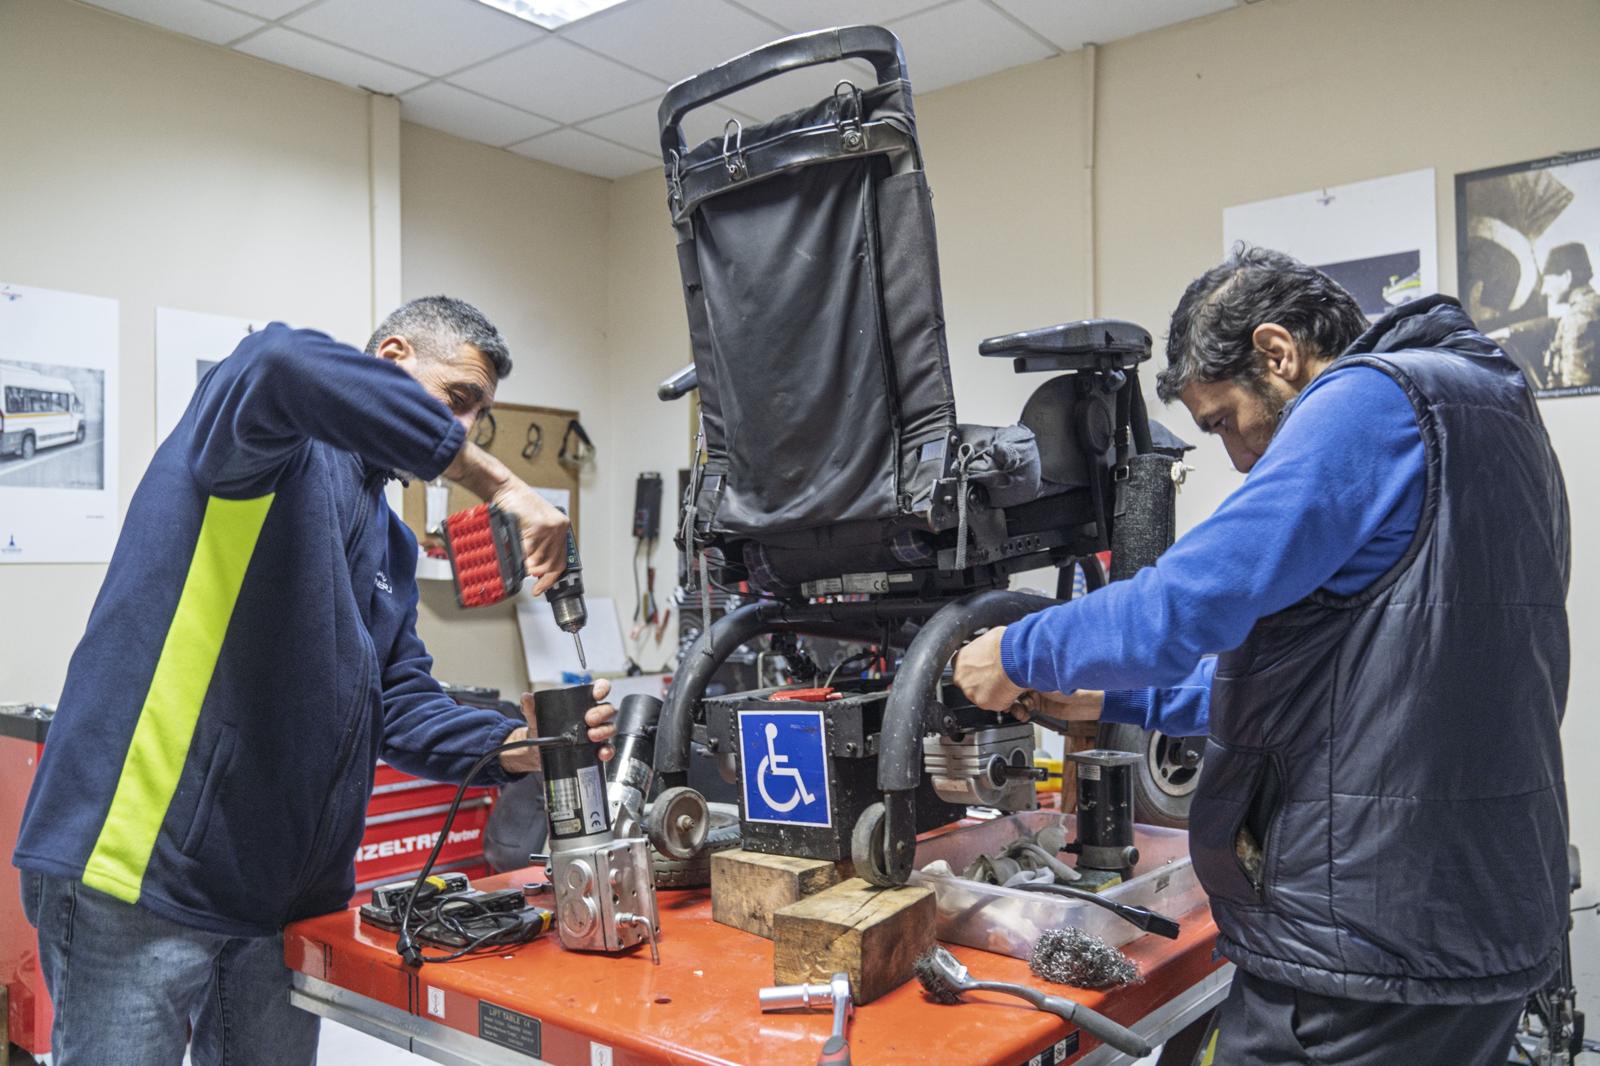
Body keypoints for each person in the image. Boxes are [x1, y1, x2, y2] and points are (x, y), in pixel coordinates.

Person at [955, 247, 1570, 1065]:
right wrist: (1118, 700)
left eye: (1223, 422)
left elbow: (1188, 603)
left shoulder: (1371, 402)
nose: (1240, 459)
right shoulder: (1490, 414)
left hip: (1361, 950)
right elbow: (1347, 686)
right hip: (1468, 920)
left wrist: (1019, 650)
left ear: (1277, 352)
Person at [12, 296, 617, 1066]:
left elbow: (399, 702)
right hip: (141, 874)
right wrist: (496, 481)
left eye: (478, 417)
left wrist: (515, 747)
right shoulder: (265, 450)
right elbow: (278, 361)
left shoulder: (391, 545)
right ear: (391, 359)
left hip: (281, 901)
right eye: (457, 399)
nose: (463, 429)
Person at [1539, 241, 1598, 389]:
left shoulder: (1577, 317)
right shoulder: (1591, 305)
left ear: (1567, 277)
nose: (1543, 290)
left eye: (1547, 280)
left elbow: (1576, 386)